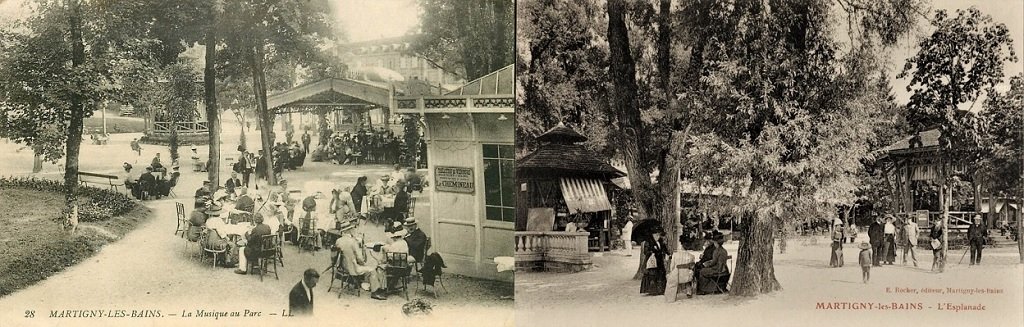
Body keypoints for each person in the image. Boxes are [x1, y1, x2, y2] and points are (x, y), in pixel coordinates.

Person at [334, 220, 387, 300]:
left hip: (342, 266)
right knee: (372, 270)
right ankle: (375, 292)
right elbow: (360, 258)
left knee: (363, 265)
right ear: (350, 230)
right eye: (352, 229)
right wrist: (364, 262)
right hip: (352, 267)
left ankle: (357, 283)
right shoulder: (353, 242)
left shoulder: (338, 241)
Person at [640, 231, 668, 296]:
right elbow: (645, 252)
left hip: (659, 261)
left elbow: (664, 249)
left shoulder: (661, 241)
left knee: (660, 275)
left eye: (658, 235)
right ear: (652, 235)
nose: (657, 237)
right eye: (656, 235)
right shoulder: (648, 242)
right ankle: (652, 291)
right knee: (652, 275)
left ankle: (661, 290)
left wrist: (667, 254)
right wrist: (652, 250)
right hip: (652, 261)